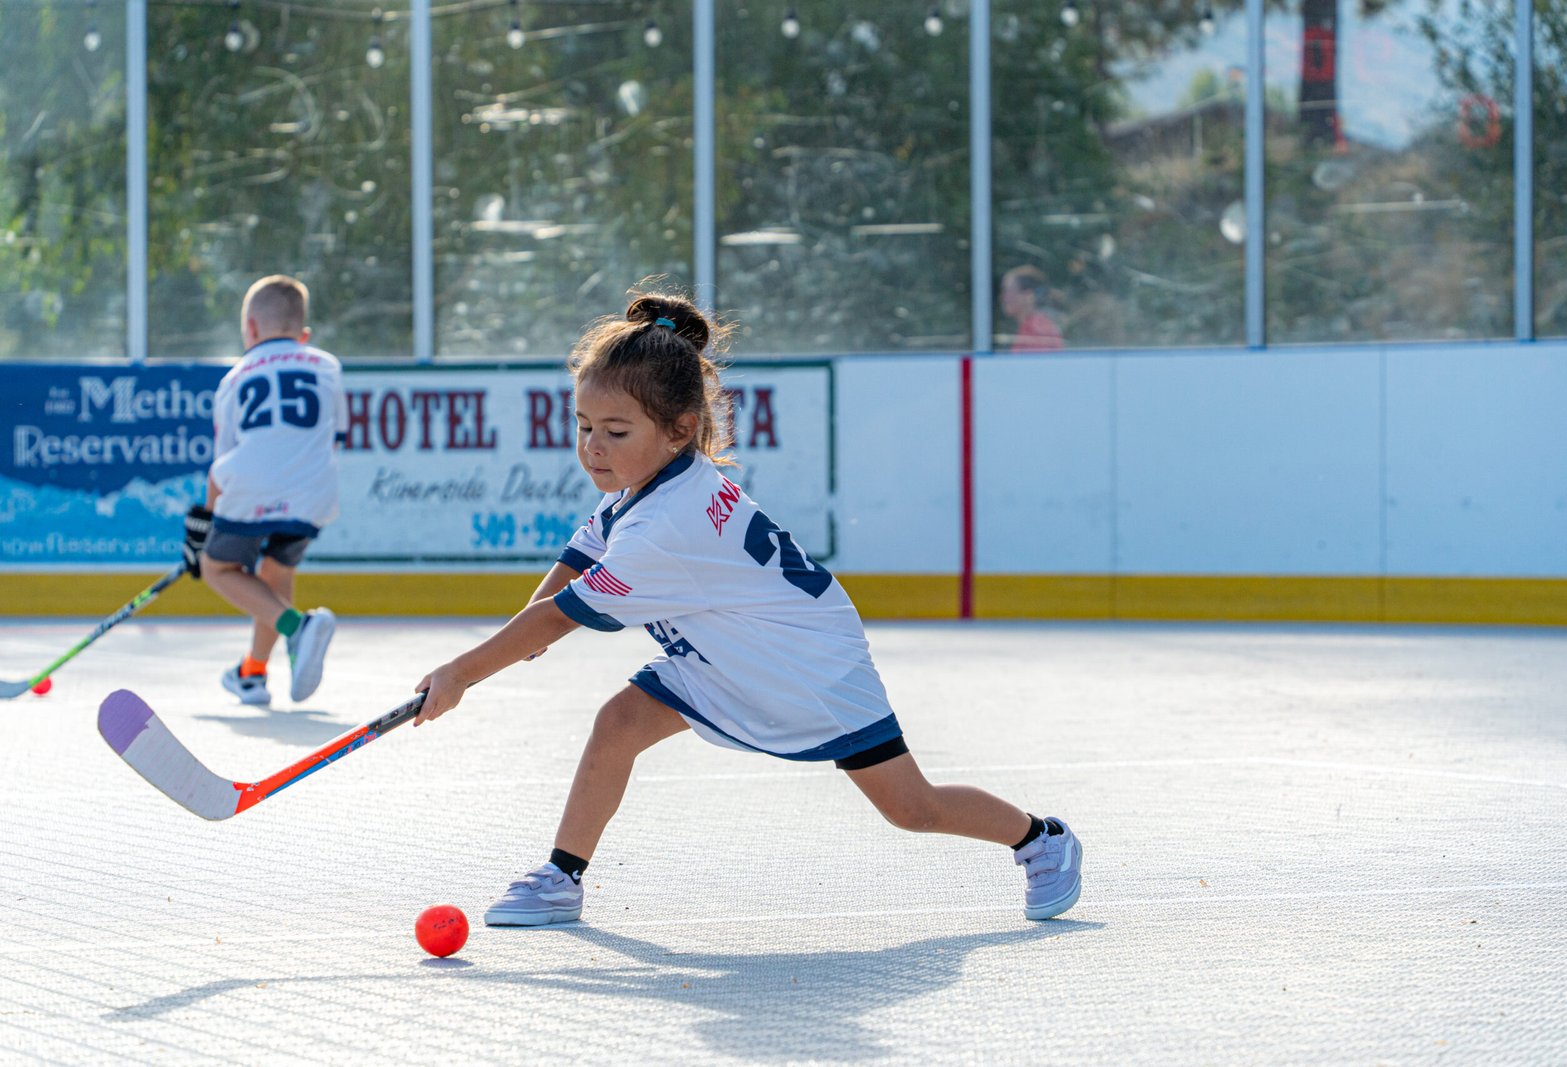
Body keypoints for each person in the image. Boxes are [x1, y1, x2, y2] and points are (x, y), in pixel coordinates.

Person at [412, 287, 1083, 926]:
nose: (593, 446)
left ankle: (1041, 839)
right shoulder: (642, 490)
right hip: (725, 656)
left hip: (810, 668)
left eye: (615, 431)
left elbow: (563, 611)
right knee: (619, 723)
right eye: (585, 425)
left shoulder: (666, 525)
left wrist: (462, 672)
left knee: (913, 808)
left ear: (678, 430)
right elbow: (580, 556)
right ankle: (562, 876)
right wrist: (528, 628)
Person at [181, 275, 343, 706]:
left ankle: (298, 629)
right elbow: (334, 436)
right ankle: (252, 673)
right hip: (314, 493)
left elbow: (223, 469)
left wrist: (202, 531)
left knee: (219, 569)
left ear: (250, 329)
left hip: (253, 487)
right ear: (303, 335)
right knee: (275, 576)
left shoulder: (234, 380)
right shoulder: (327, 365)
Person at [1000, 265, 1065, 352]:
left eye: (1009, 291)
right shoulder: (1030, 328)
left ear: (1028, 296)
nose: (1004, 298)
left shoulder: (1037, 332)